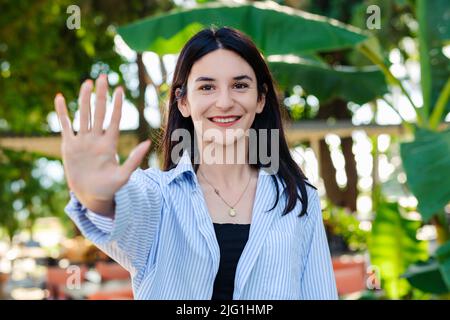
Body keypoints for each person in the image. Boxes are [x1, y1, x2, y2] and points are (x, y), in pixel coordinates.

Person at [55, 27, 338, 300]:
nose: (224, 102)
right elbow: (119, 211)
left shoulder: (299, 199)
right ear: (183, 103)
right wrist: (95, 194)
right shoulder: (159, 197)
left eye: (240, 85)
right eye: (206, 87)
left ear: (261, 98)